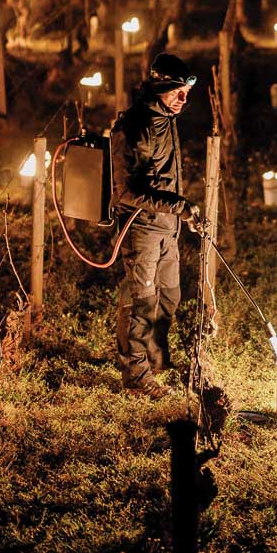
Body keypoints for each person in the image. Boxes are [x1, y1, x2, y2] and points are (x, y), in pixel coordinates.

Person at [110, 53, 201, 399]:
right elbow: (126, 192)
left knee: (170, 297)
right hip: (141, 230)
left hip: (167, 227)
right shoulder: (132, 129)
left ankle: (155, 359)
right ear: (160, 87)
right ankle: (135, 377)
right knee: (142, 302)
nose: (183, 99)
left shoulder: (166, 116)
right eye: (177, 91)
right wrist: (180, 206)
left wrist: (180, 214)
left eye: (186, 92)